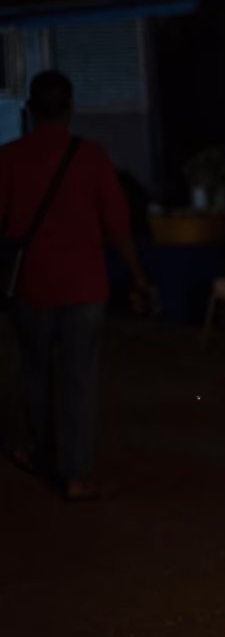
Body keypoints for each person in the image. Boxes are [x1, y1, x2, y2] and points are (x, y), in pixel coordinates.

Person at [0, 71, 148, 500]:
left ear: (30, 109)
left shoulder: (8, 158)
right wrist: (138, 275)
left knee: (35, 373)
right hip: (84, 288)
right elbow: (118, 225)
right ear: (69, 110)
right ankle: (76, 474)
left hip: (31, 286)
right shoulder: (91, 157)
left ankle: (38, 453)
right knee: (79, 380)